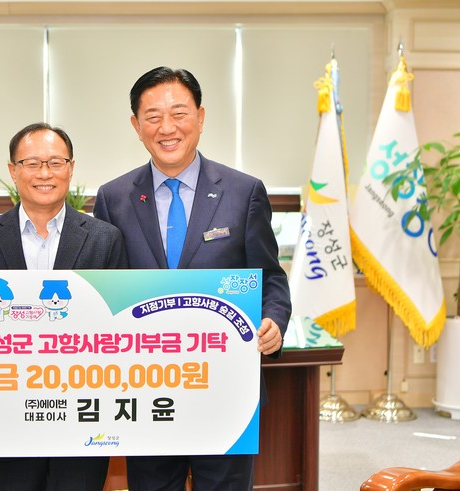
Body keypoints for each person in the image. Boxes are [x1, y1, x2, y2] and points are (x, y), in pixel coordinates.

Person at [92, 66, 292, 491]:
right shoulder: (113, 198)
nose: (167, 128)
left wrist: (273, 321)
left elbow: (270, 278)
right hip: (144, 390)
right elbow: (102, 290)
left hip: (226, 388)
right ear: (136, 126)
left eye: (179, 113)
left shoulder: (244, 192)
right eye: (153, 116)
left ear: (200, 118)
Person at [0, 122, 128, 491]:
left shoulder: (106, 239)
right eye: (32, 163)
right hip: (6, 416)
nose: (45, 173)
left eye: (55, 162)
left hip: (80, 414)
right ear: (13, 171)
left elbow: (119, 327)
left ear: (71, 168)